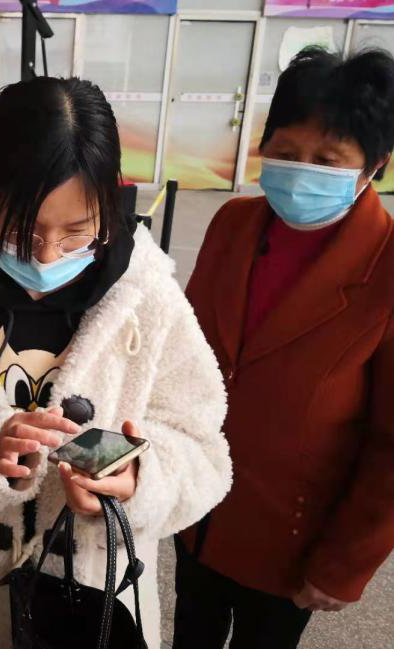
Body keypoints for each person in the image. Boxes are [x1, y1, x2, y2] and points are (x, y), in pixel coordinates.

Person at [0, 76, 233, 649]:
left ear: (110, 205)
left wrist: (139, 479)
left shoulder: (150, 299)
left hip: (96, 602)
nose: (46, 253)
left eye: (78, 232)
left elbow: (204, 450)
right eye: (22, 228)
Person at [174, 47, 394, 649]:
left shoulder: (386, 267)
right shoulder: (234, 223)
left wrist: (345, 565)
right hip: (197, 509)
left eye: (326, 160)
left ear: (373, 166)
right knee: (190, 631)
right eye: (287, 153)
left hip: (293, 542)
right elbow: (185, 351)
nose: (300, 172)